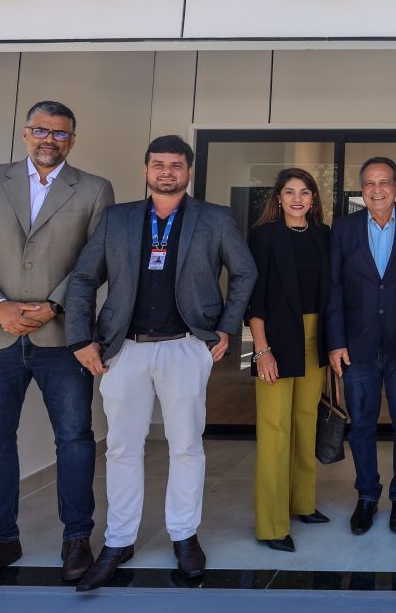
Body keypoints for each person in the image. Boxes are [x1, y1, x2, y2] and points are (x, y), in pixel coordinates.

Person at [64, 135, 256, 591]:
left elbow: (244, 271)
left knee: (186, 445)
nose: (166, 172)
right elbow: (84, 278)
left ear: (189, 171)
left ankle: (184, 536)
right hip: (123, 349)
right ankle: (118, 540)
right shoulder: (118, 218)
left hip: (186, 346)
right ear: (146, 170)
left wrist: (226, 327)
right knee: (121, 447)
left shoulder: (214, 218)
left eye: (175, 165)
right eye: (158, 164)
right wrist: (81, 339)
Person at [0, 100, 114, 597]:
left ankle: (76, 539)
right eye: (41, 130)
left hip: (62, 338)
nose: (49, 140)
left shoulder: (95, 189)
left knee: (75, 439)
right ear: (25, 133)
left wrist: (53, 305)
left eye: (60, 133)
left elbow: (96, 258)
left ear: (72, 140)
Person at [326, 157, 396, 536]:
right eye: (369, 183)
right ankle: (366, 495)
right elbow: (333, 287)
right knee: (362, 424)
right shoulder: (343, 228)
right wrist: (335, 342)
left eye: (384, 182)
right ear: (361, 190)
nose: (376, 189)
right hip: (357, 345)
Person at [247, 167, 332, 552]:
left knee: (305, 421)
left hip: (316, 336)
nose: (297, 199)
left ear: (313, 199)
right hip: (277, 338)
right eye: (289, 192)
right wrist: (261, 350)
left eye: (304, 192)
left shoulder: (322, 235)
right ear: (278, 198)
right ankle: (272, 525)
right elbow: (255, 299)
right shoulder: (263, 236)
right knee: (275, 428)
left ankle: (302, 503)